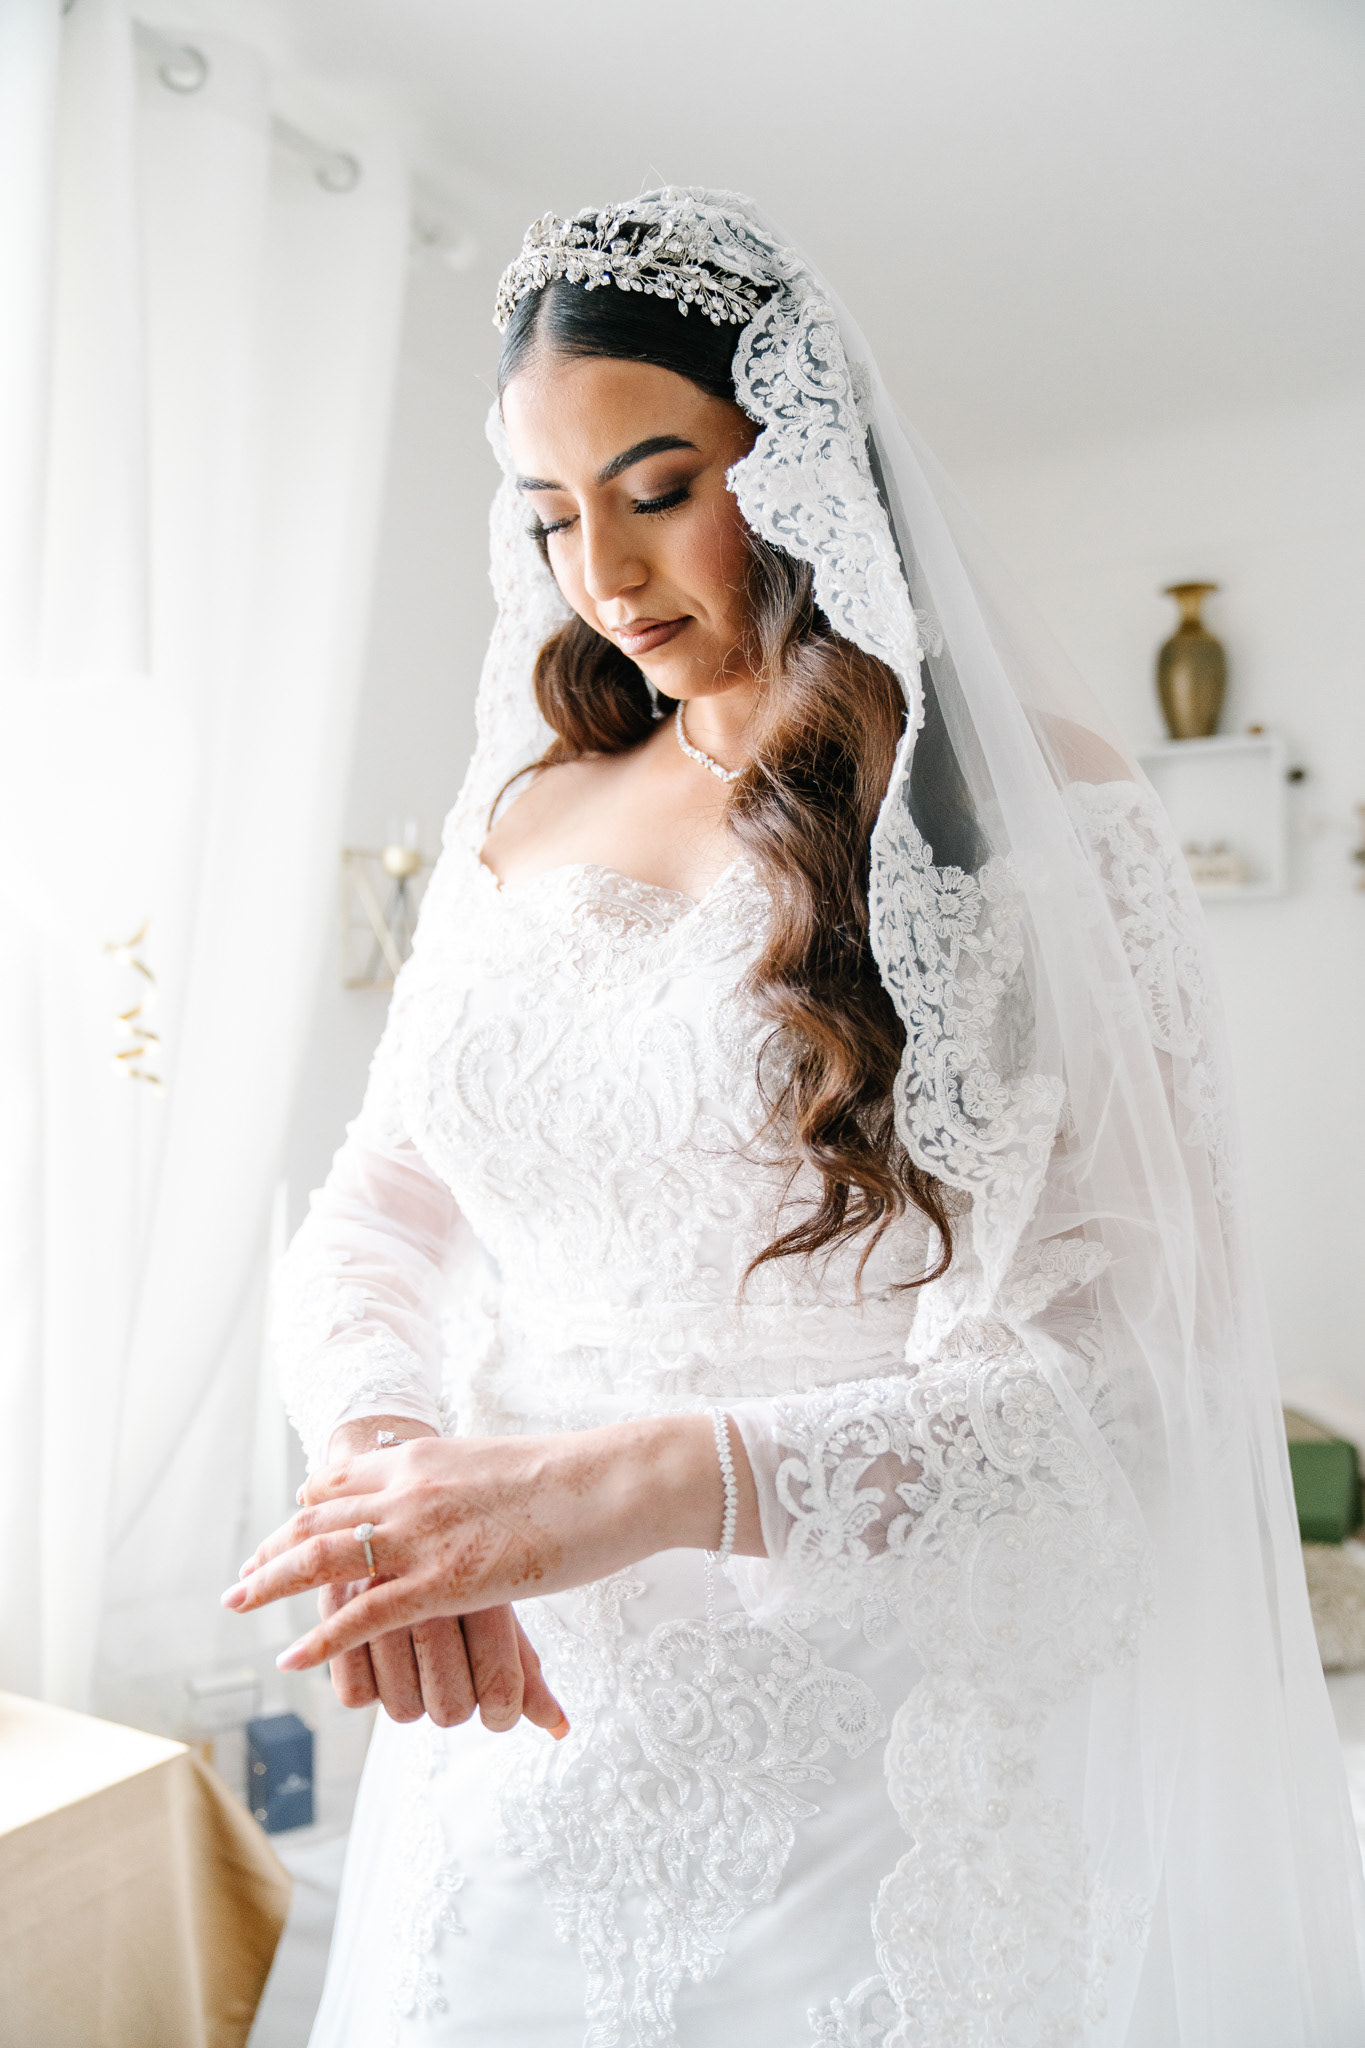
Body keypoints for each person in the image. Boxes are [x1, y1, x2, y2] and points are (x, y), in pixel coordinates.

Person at [225, 190, 1365, 2046]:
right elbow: (380, 1202)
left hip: (860, 1756)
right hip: (509, 1717)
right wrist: (390, 1482)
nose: (604, 572)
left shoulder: (1026, 814)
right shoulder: (526, 813)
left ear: (805, 455)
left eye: (658, 486)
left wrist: (624, 1485)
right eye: (548, 514)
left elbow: (1128, 1385)